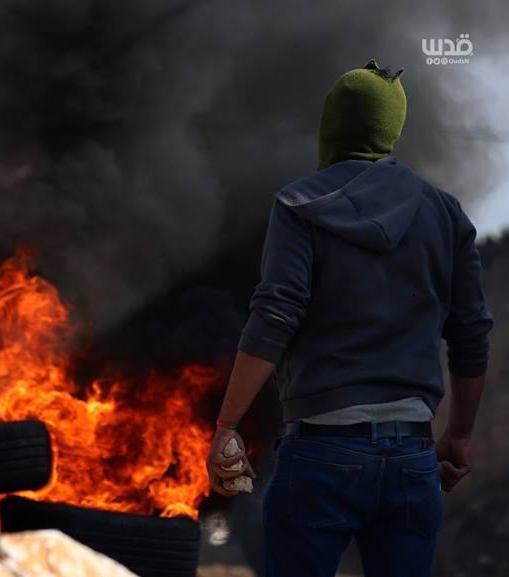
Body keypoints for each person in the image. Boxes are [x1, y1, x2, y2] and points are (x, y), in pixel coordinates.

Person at [206, 59, 494, 577]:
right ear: (392, 130)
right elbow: (471, 334)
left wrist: (228, 423)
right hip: (412, 456)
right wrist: (461, 434)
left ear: (331, 126)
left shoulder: (298, 206)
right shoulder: (445, 213)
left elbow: (275, 314)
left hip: (320, 455)